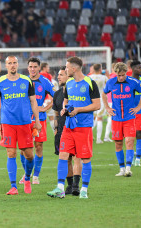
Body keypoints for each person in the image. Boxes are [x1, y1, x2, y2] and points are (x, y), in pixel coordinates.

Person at [47, 56, 100, 199]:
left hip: (84, 126)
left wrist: (78, 109)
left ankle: (84, 189)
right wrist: (65, 109)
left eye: (66, 67)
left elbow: (97, 105)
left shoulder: (90, 83)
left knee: (85, 159)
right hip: (69, 126)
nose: (65, 69)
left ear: (74, 68)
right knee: (63, 155)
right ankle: (60, 188)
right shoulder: (69, 84)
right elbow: (66, 101)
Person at [0, 55, 41, 195]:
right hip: (8, 123)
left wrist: (37, 120)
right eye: (9, 63)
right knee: (11, 153)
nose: (12, 65)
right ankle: (13, 186)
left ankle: (27, 178)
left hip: (25, 122)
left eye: (14, 63)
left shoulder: (26, 80)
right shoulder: (0, 81)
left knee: (29, 155)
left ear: (17, 64)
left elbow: (33, 101)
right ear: (5, 65)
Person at [102, 62, 141, 177]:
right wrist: (107, 107)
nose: (121, 77)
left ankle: (128, 168)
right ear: (115, 74)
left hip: (129, 118)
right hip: (116, 118)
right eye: (119, 75)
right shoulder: (111, 82)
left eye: (123, 75)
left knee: (129, 142)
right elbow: (103, 93)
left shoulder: (133, 82)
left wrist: (138, 107)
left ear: (126, 73)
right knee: (118, 143)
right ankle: (121, 169)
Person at [19, 58, 55, 185]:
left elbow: (56, 97)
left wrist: (45, 108)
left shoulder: (45, 82)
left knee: (38, 147)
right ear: (27, 68)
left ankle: (36, 176)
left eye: (35, 66)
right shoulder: (22, 81)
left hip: (39, 120)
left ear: (39, 68)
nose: (33, 69)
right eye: (30, 67)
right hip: (24, 120)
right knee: (24, 149)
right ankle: (26, 174)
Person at [52, 66, 82, 195]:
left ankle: (76, 185)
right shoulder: (58, 94)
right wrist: (56, 127)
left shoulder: (75, 91)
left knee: (76, 157)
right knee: (65, 158)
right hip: (61, 130)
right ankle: (69, 186)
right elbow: (56, 113)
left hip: (76, 127)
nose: (58, 77)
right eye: (58, 74)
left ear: (68, 76)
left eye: (61, 75)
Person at [89, 64, 109, 144]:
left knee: (91, 118)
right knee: (99, 118)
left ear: (93, 69)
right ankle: (98, 139)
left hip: (91, 99)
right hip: (100, 99)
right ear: (100, 69)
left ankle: (89, 136)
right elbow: (109, 86)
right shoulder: (104, 77)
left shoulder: (89, 77)